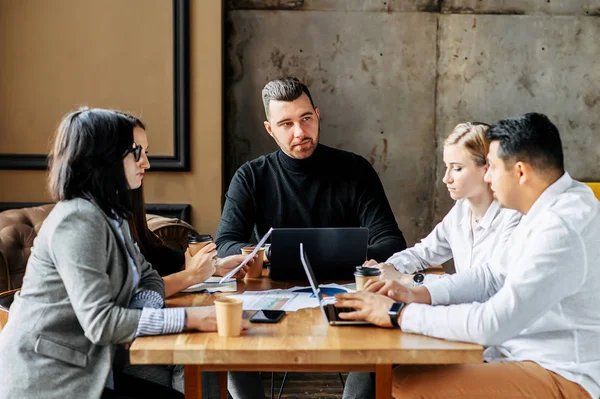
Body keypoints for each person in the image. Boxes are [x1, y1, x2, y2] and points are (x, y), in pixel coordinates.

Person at [335, 113, 600, 399]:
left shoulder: (560, 226)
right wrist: (416, 294)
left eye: (493, 167)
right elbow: (492, 275)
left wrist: (396, 313)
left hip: (562, 373)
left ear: (520, 172)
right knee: (392, 373)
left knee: (401, 383)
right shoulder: (548, 207)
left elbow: (492, 323)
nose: (487, 176)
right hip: (521, 353)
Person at [0, 108, 246, 399]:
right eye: (136, 152)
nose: (146, 163)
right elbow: (102, 324)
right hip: (49, 381)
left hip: (89, 370)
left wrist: (141, 311)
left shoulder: (111, 216)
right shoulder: (76, 221)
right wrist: (191, 317)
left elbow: (150, 277)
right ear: (104, 158)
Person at [343, 122, 523, 399]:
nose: (446, 178)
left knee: (389, 363)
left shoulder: (513, 217)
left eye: (457, 168)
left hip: (489, 342)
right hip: (458, 326)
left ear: (486, 168)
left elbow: (489, 284)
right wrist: (388, 268)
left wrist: (409, 282)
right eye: (446, 167)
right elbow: (423, 251)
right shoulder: (461, 211)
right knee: (373, 352)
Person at [117, 115, 266, 399]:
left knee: (207, 346)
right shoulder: (87, 223)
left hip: (114, 348)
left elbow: (144, 282)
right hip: (93, 367)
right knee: (205, 346)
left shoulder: (118, 216)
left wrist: (211, 270)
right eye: (139, 153)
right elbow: (113, 316)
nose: (147, 163)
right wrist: (190, 295)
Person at [215, 77, 406, 261]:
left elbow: (392, 242)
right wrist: (274, 253)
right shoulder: (250, 177)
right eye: (286, 124)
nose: (299, 132)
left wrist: (348, 255)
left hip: (344, 284)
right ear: (270, 130)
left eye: (306, 118)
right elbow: (224, 245)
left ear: (317, 115)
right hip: (275, 286)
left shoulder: (356, 169)